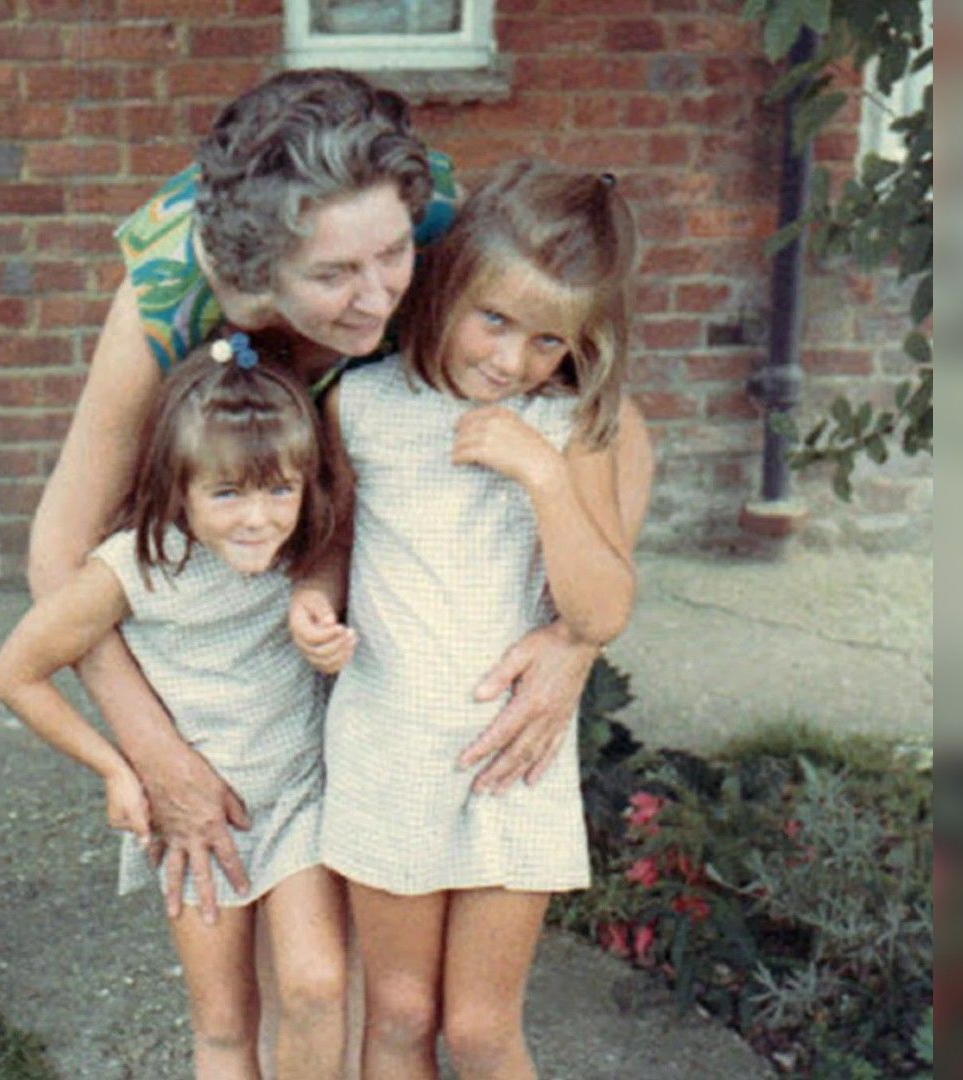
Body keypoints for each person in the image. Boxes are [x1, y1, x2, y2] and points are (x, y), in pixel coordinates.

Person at [29, 68, 654, 918]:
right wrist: (155, 751)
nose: (378, 298)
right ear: (258, 279)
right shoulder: (171, 293)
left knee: (350, 941)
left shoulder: (432, 237)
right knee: (247, 908)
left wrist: (570, 646)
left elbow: (617, 427)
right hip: (245, 611)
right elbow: (61, 551)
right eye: (331, 277)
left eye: (391, 257)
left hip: (398, 631)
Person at [291, 160, 638, 1078]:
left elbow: (600, 608)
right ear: (447, 285)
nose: (510, 359)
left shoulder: (567, 430)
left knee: (481, 1030)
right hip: (389, 743)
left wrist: (543, 474)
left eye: (546, 342)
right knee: (400, 1013)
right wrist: (312, 599)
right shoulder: (364, 406)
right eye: (495, 319)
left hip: (511, 762)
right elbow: (338, 540)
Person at [0, 339, 349, 1079]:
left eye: (280, 490)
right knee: (223, 1020)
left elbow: (335, 540)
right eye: (227, 494)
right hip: (196, 824)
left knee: (317, 986)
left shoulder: (300, 547)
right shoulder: (133, 569)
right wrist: (118, 770)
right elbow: (14, 674)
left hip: (299, 801)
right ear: (178, 486)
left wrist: (322, 615)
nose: (257, 518)